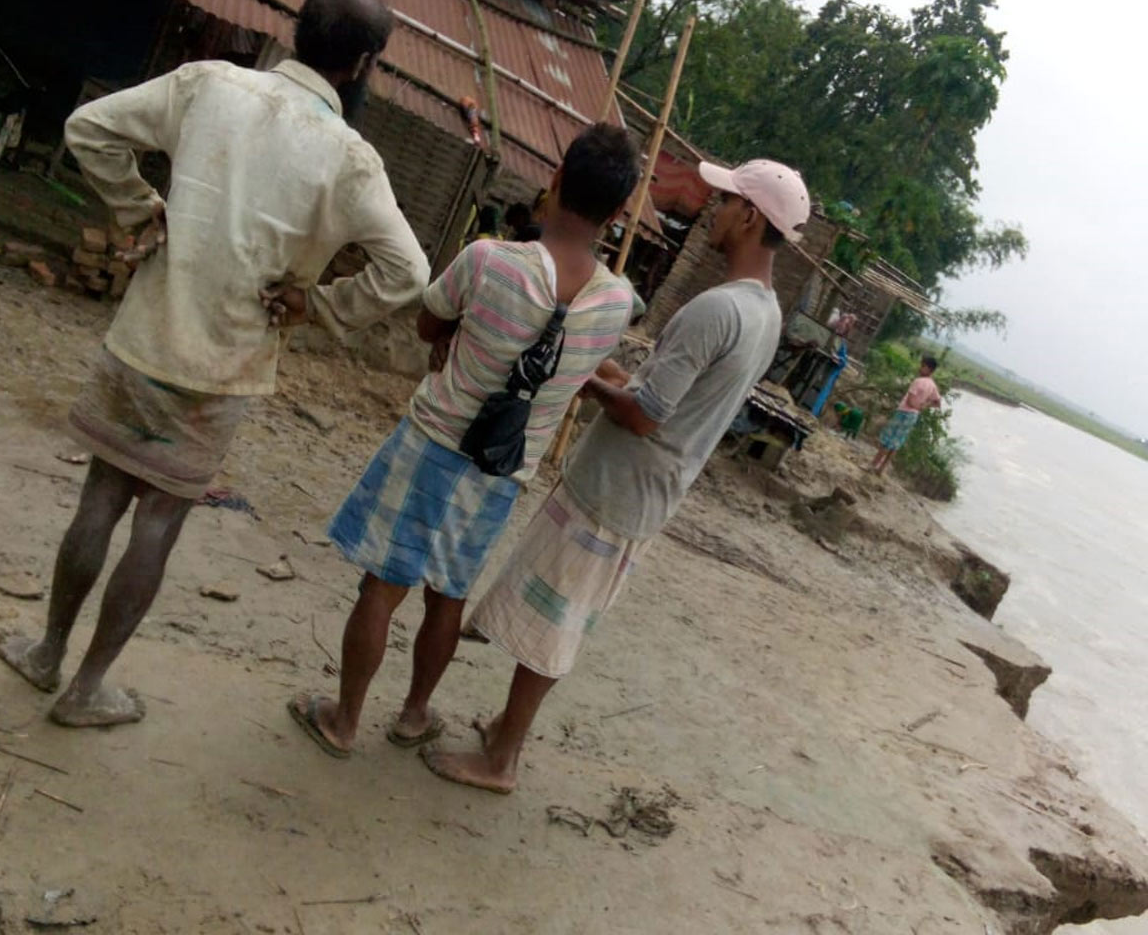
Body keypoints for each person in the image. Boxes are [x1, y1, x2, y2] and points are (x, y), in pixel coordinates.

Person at [0, 0, 430, 728]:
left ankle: (46, 654)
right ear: (362, 64)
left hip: (147, 331)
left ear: (297, 32)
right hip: (224, 369)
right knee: (156, 523)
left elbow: (89, 128)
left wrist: (139, 208)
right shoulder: (351, 160)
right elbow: (410, 273)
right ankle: (88, 690)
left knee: (99, 497)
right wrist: (318, 308)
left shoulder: (209, 86)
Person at [421, 157, 810, 793]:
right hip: (647, 492)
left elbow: (647, 415)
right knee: (557, 609)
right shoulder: (765, 314)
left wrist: (578, 379)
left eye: (724, 203)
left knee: (553, 622)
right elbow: (664, 397)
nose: (712, 212)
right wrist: (602, 373)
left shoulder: (716, 310)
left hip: (618, 486)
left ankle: (502, 760)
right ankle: (502, 732)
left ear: (749, 216)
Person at [286, 124, 640, 758]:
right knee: (447, 594)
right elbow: (576, 374)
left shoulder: (488, 259)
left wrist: (458, 336)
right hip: (501, 473)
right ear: (617, 215)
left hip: (430, 444)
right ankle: (415, 714)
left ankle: (344, 720)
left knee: (382, 586)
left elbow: (428, 323)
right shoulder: (616, 303)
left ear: (554, 180)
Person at [869, 355, 942, 474]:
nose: (920, 368)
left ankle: (872, 466)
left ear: (929, 369)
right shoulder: (932, 385)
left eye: (922, 366)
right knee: (897, 442)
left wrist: (917, 406)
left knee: (887, 440)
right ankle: (881, 469)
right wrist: (923, 406)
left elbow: (910, 401)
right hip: (913, 416)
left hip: (904, 412)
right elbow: (937, 402)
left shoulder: (918, 381)